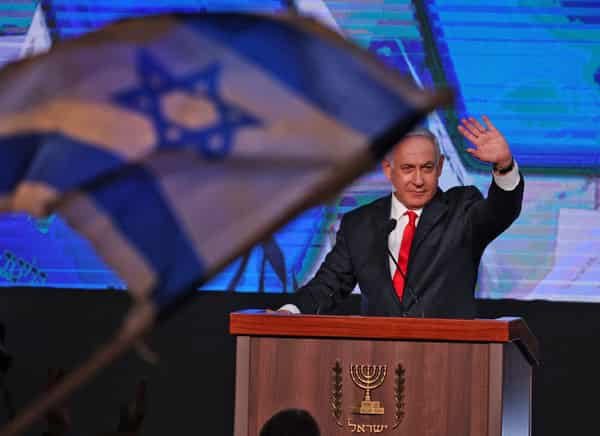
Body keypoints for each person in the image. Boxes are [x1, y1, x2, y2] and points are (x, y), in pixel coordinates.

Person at [281, 116, 523, 319]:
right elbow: (328, 285)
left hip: (448, 354)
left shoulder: (462, 210)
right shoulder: (360, 224)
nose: (418, 180)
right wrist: (289, 312)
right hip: (380, 356)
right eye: (408, 168)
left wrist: (504, 166)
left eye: (427, 168)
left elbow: (501, 211)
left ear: (440, 167)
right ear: (389, 170)